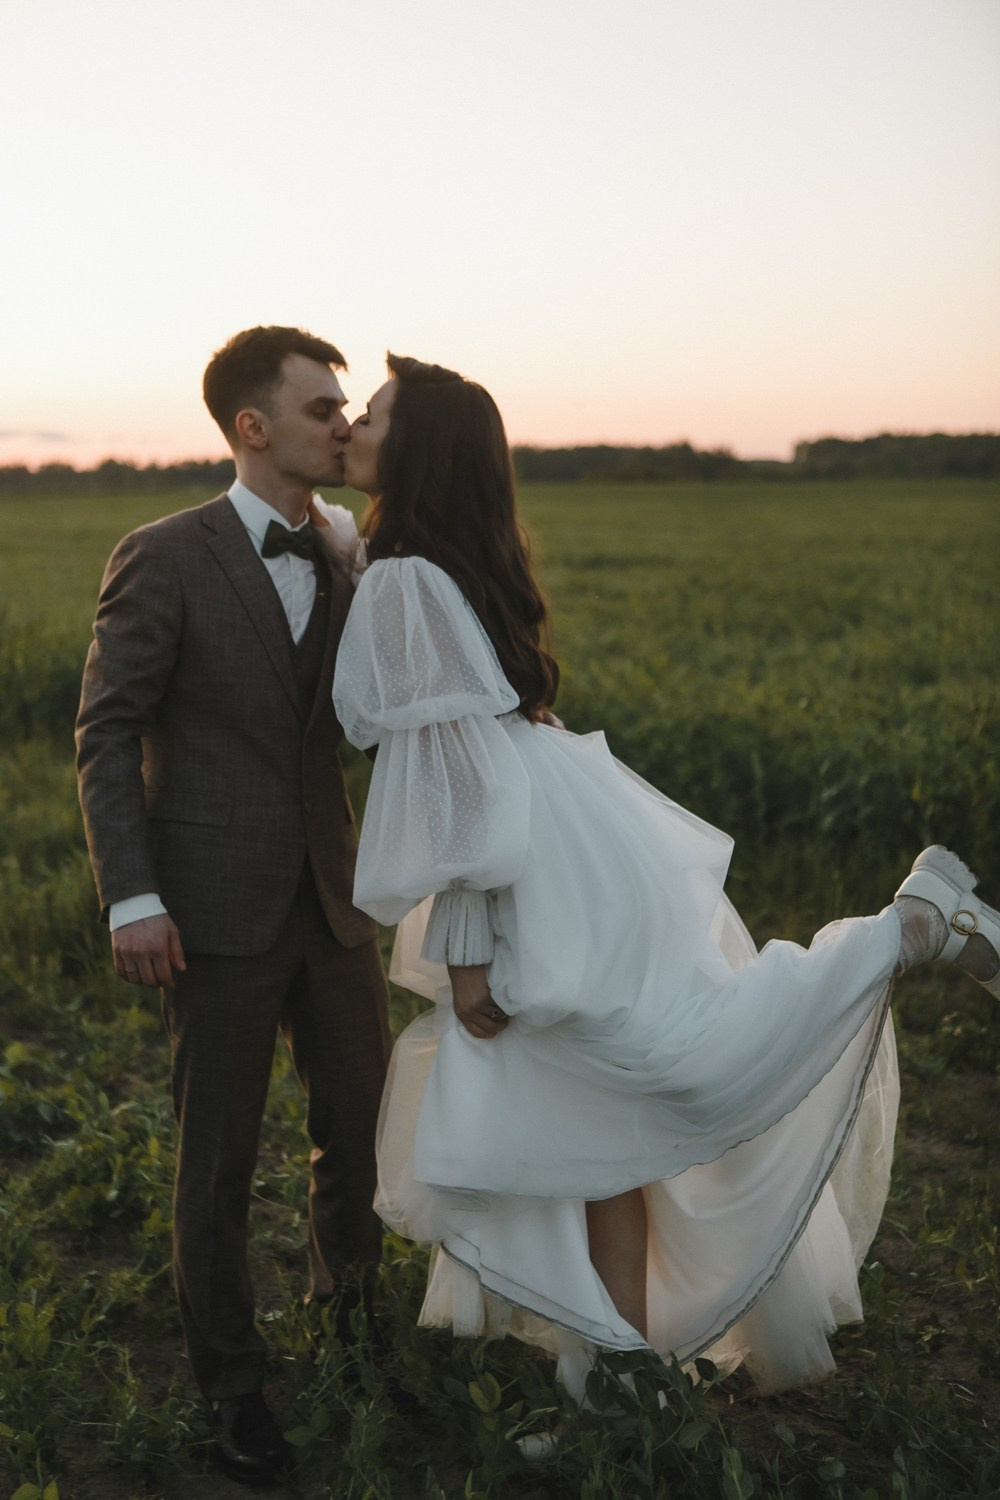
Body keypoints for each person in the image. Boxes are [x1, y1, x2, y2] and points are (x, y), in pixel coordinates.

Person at [330, 354, 999, 1407]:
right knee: (608, 1121)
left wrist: (465, 952)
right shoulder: (428, 559)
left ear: (413, 450)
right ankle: (618, 1374)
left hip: (524, 866)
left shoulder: (410, 578)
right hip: (572, 839)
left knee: (660, 1067)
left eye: (367, 414)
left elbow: (454, 787)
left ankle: (906, 927)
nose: (349, 426)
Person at [75, 326, 392, 1486]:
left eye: (347, 409)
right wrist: (133, 898)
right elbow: (107, 733)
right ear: (252, 426)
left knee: (358, 1138)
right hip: (205, 908)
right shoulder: (164, 553)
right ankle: (234, 1385)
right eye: (320, 409)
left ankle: (350, 1330)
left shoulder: (356, 553)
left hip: (336, 901)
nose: (342, 426)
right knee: (216, 1161)